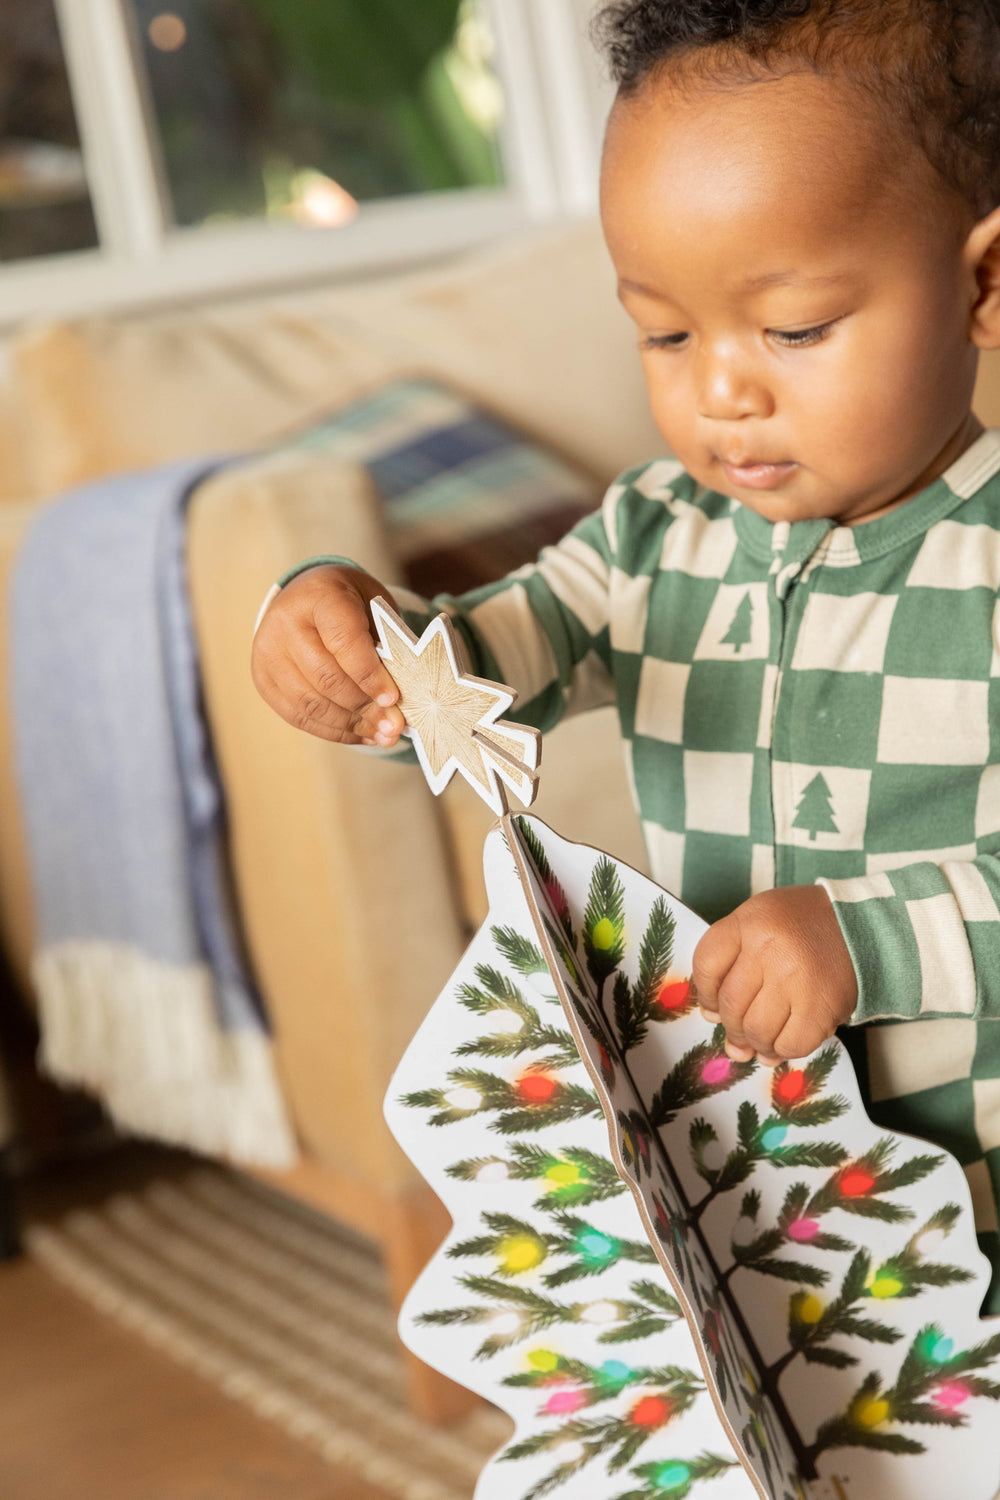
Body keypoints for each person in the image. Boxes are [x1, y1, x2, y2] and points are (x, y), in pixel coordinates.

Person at [251, 0, 1000, 1300]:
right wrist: (353, 637)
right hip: (765, 1174)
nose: (721, 390)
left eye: (795, 327)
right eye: (665, 332)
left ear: (983, 283)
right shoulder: (653, 537)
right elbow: (480, 663)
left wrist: (858, 938)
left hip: (975, 1186)